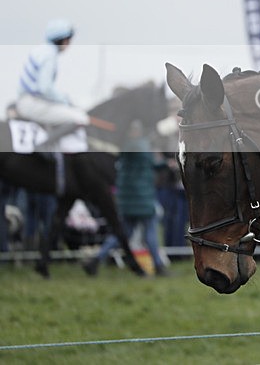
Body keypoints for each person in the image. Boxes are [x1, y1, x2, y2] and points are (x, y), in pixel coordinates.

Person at [83, 120, 169, 276]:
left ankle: (96, 260)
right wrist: (166, 163)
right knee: (150, 230)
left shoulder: (125, 146)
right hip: (142, 197)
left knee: (122, 233)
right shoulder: (141, 145)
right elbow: (151, 163)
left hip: (127, 198)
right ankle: (158, 266)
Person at [17, 19, 90, 129]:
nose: (69, 44)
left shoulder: (41, 50)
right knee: (80, 118)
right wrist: (66, 100)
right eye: (68, 40)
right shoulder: (49, 55)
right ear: (63, 40)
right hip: (33, 103)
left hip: (29, 101)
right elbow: (45, 88)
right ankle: (45, 146)